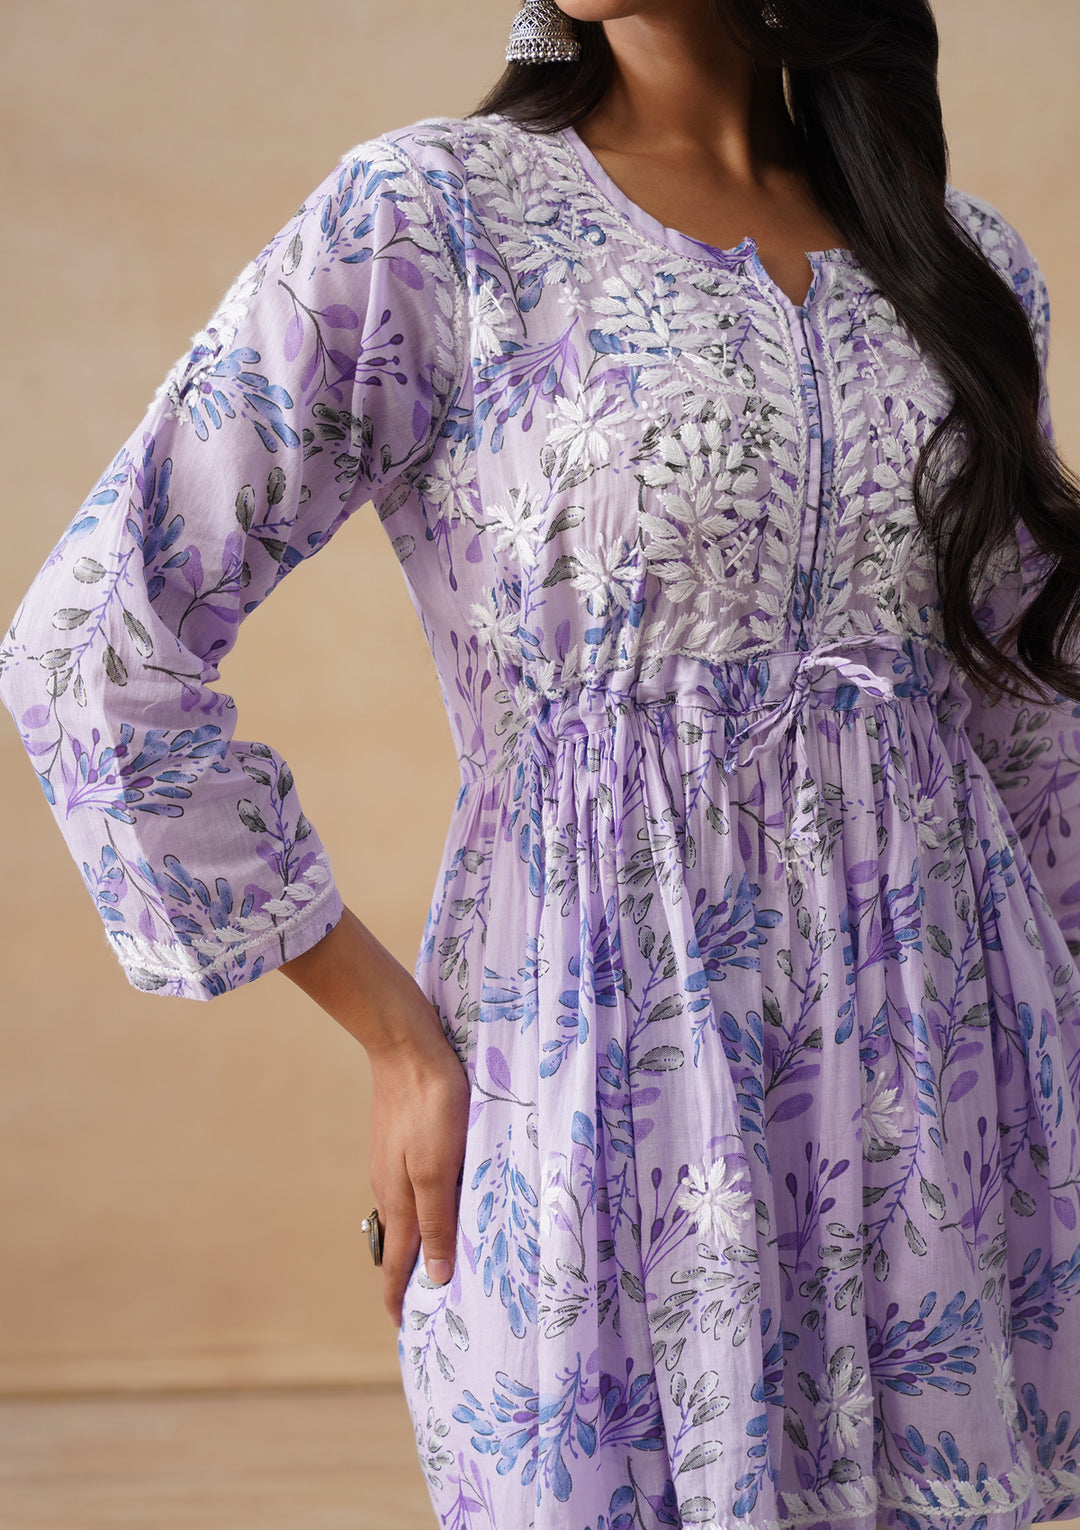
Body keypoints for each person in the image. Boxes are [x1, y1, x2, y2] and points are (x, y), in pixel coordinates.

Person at [3, 0, 1080, 1523]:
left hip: (942, 1084)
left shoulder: (964, 265)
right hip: (602, 1068)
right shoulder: (439, 218)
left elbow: (1032, 716)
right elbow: (92, 641)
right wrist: (393, 1035)